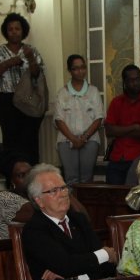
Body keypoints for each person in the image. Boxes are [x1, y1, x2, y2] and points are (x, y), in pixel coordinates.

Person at [20, 164, 118, 280]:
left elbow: (106, 269)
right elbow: (67, 265)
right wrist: (104, 254)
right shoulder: (35, 230)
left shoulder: (78, 220)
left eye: (64, 188)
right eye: (54, 190)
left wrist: (74, 271)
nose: (63, 194)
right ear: (39, 201)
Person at [0, 12, 46, 164]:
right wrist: (9, 63)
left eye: (17, 28)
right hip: (6, 101)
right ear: (6, 32)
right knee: (11, 142)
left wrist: (31, 59)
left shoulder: (31, 50)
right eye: (10, 29)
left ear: (23, 31)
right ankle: (13, 180)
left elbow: (37, 76)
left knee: (30, 141)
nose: (14, 32)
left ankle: (33, 179)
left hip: (29, 100)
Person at [103, 64, 140, 185]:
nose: (136, 83)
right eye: (132, 80)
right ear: (125, 82)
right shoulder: (116, 102)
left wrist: (120, 130)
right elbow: (109, 131)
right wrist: (134, 127)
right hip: (118, 158)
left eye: (138, 79)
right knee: (113, 196)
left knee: (139, 198)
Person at [53, 54, 104, 184]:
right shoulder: (62, 93)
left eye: (82, 67)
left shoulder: (93, 91)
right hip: (66, 140)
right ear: (69, 71)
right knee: (71, 179)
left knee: (87, 179)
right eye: (75, 68)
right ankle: (70, 204)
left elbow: (98, 118)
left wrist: (84, 137)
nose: (80, 71)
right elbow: (59, 119)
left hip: (90, 139)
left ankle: (85, 204)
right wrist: (73, 139)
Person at [0, 153, 33, 239]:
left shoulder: (35, 195)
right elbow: (32, 214)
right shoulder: (2, 198)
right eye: (21, 175)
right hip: (13, 250)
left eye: (30, 174)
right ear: (11, 180)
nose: (28, 179)